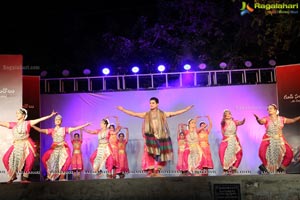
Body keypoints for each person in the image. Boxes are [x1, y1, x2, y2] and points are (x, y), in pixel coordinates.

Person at [117, 97, 193, 177]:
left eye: (153, 103)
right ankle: (151, 171)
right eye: (150, 103)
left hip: (160, 137)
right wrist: (123, 110)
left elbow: (175, 113)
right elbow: (134, 114)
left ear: (157, 104)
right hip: (151, 138)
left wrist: (186, 109)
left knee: (159, 154)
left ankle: (156, 171)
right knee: (149, 154)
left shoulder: (162, 114)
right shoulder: (146, 114)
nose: (151, 104)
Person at [0, 108, 57, 183]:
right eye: (16, 113)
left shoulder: (28, 123)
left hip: (27, 143)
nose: (17, 115)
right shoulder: (13, 124)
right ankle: (12, 175)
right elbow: (1, 123)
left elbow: (40, 119)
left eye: (19, 113)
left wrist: (50, 116)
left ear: (23, 115)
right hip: (17, 144)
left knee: (30, 160)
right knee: (5, 158)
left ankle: (25, 177)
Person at [32, 115, 90, 181]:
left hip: (63, 148)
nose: (57, 121)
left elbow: (75, 128)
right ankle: (49, 175)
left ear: (61, 122)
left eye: (59, 120)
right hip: (55, 148)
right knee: (44, 159)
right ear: (54, 122)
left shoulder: (64, 129)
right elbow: (40, 130)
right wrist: (32, 126)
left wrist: (85, 125)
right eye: (56, 120)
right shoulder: (51, 130)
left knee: (68, 160)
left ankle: (62, 177)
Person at [254, 104, 300, 174]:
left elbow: (293, 120)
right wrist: (258, 119)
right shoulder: (266, 118)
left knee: (289, 154)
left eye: (271, 108)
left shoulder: (282, 119)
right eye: (268, 109)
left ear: (275, 110)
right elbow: (261, 121)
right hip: (268, 138)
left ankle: (281, 169)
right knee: (261, 153)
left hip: (279, 139)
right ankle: (266, 167)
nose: (269, 110)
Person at [219, 109, 245, 175]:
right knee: (223, 153)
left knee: (236, 153)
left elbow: (240, 123)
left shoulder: (234, 122)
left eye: (229, 114)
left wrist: (243, 121)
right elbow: (223, 133)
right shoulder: (223, 123)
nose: (227, 115)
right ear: (224, 116)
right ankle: (226, 169)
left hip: (233, 140)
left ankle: (233, 169)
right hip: (226, 140)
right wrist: (225, 140)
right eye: (226, 114)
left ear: (231, 115)